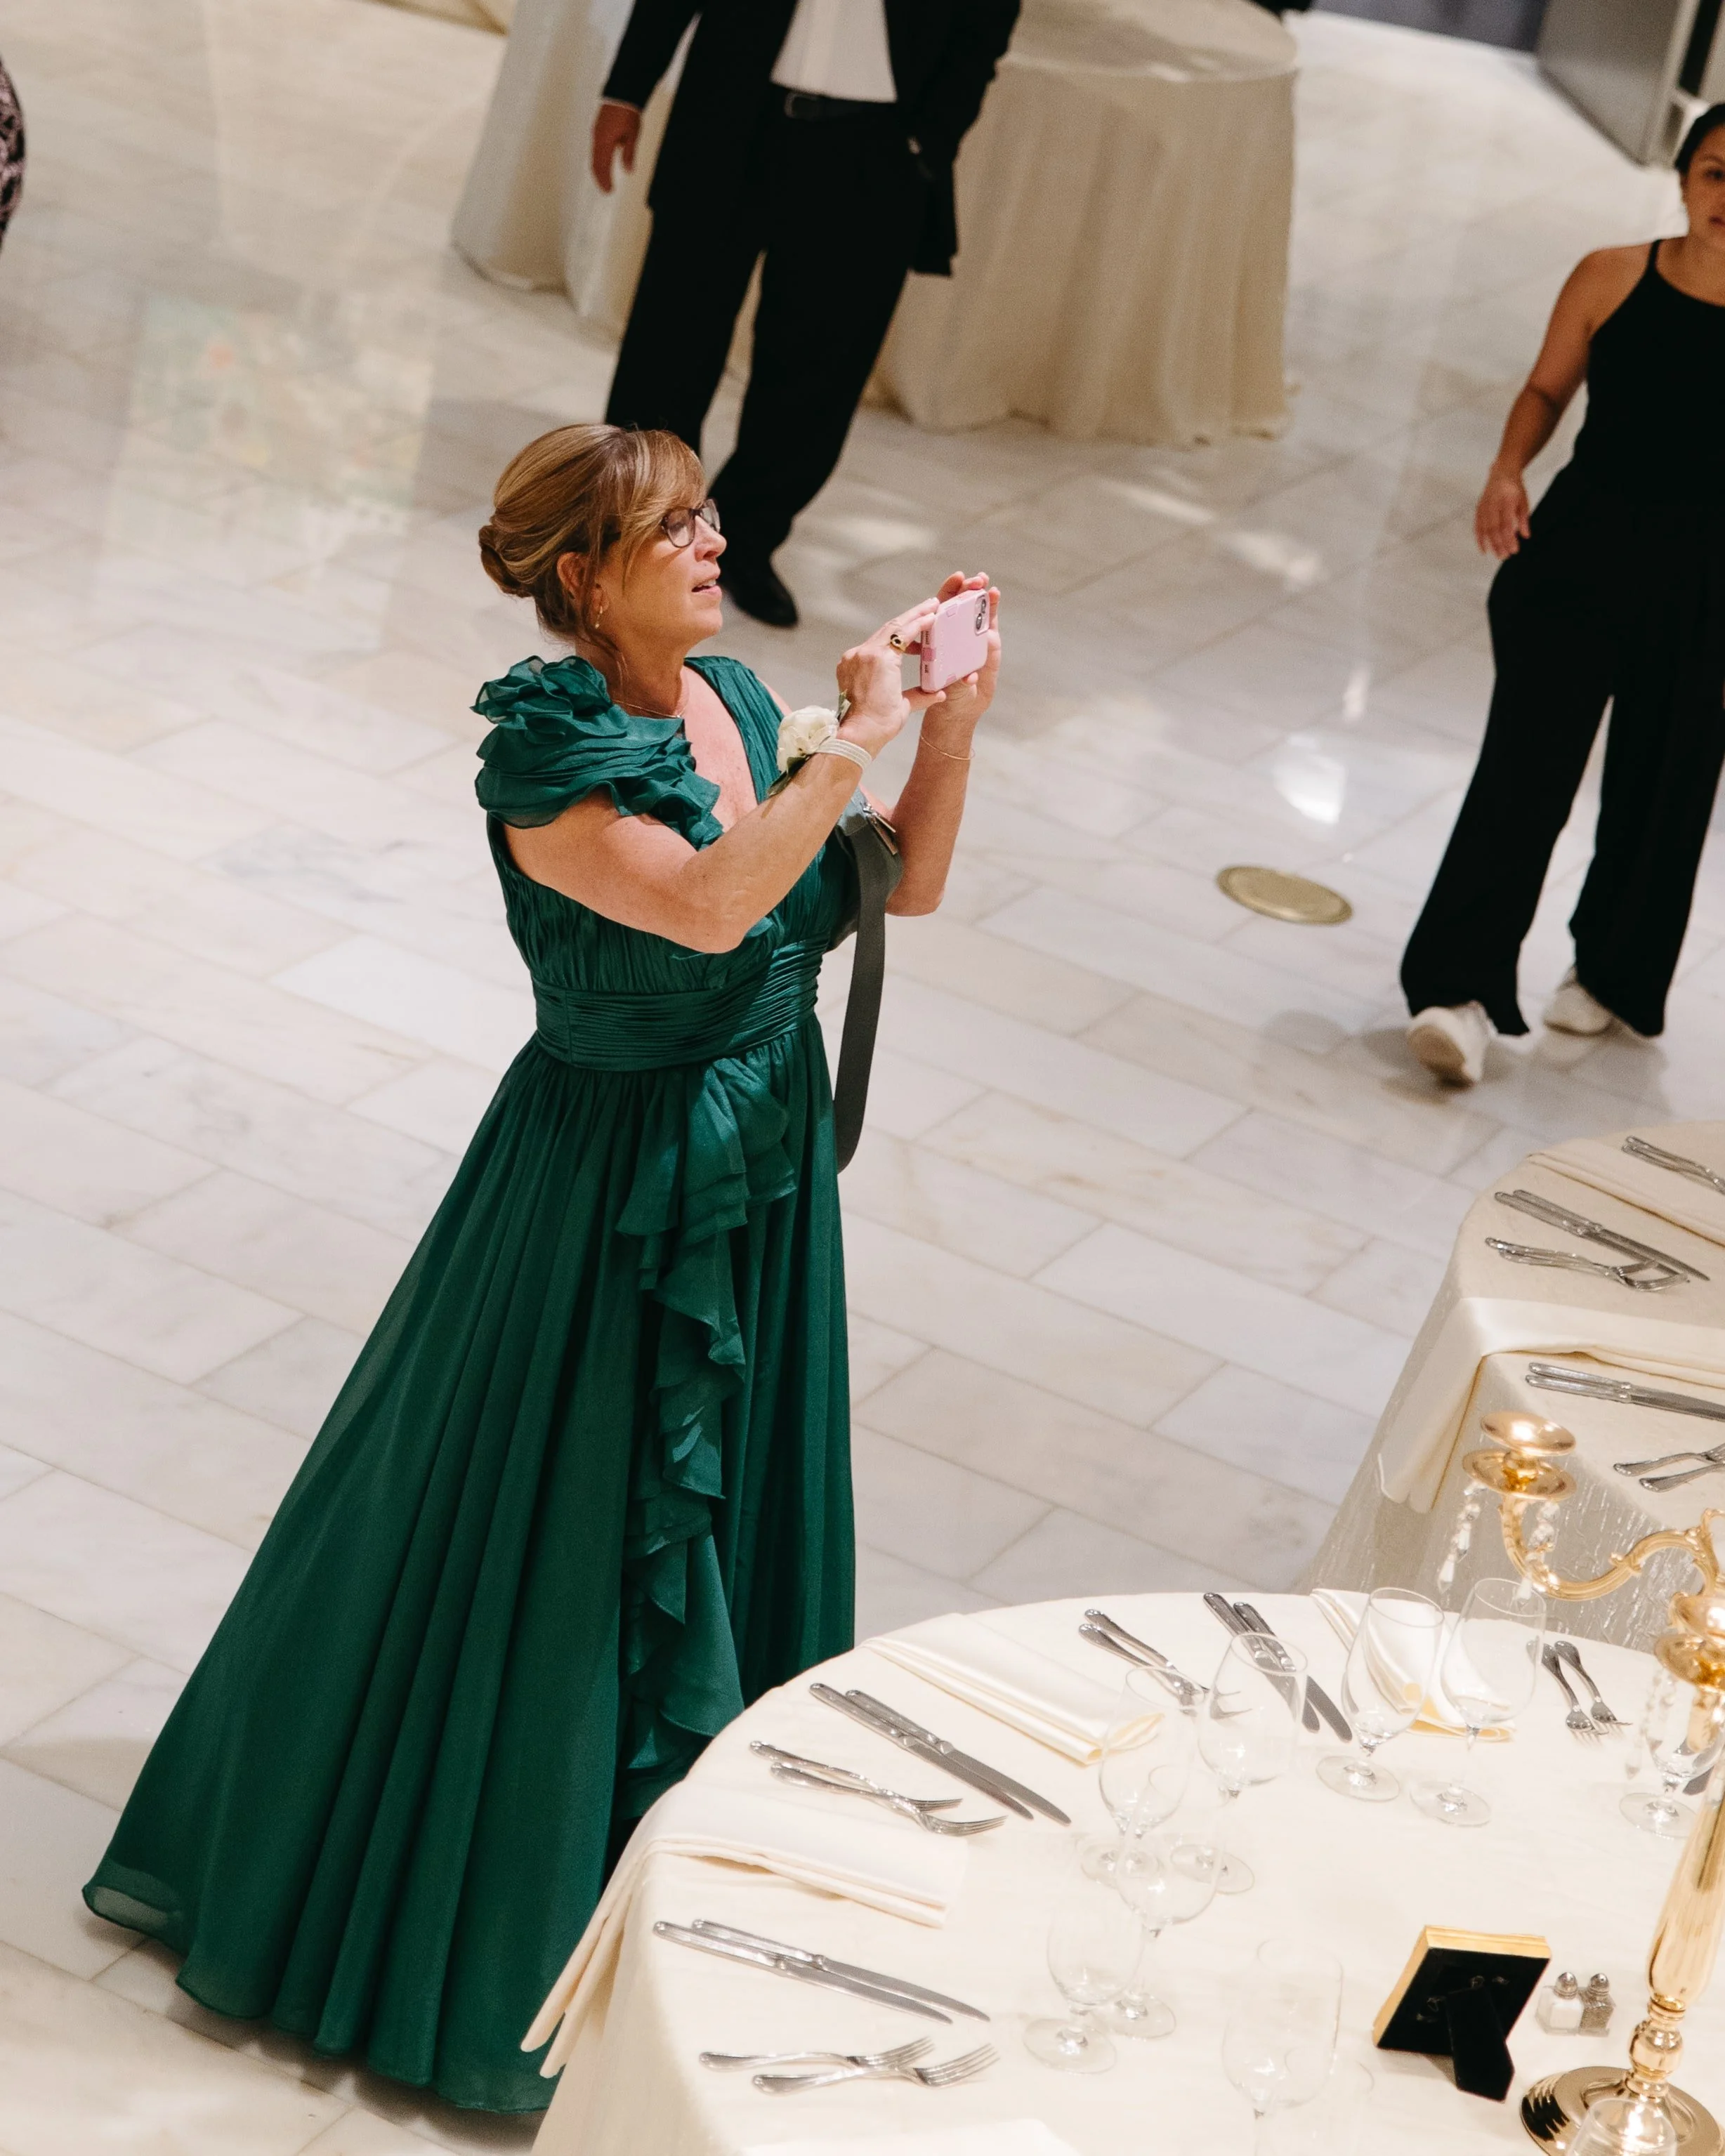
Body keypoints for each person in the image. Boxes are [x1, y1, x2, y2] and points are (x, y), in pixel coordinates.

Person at [81, 423, 1001, 2112]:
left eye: (709, 516)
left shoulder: (739, 703)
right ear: (582, 577)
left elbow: (905, 889)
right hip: (605, 1189)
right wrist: (849, 746)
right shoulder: (549, 754)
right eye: (673, 529)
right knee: (548, 1538)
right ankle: (476, 1921)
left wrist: (941, 726)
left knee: (712, 1525)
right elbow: (711, 905)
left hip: (757, 1171)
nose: (713, 545)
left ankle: (670, 1900)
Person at [1402, 104, 1725, 1088]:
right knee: (1521, 776)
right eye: (1716, 172)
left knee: (1664, 789)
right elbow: (1545, 390)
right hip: (1579, 559)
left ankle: (1613, 974)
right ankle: (1455, 991)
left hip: (1708, 590)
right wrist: (1507, 469)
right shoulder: (1610, 275)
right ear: (1683, 179)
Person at [591, 0, 1020, 629]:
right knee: (671, 338)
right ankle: (639, 529)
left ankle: (744, 542)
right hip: (728, 110)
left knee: (821, 366)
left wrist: (930, 138)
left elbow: (983, 26)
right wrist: (626, 90)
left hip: (875, 145)